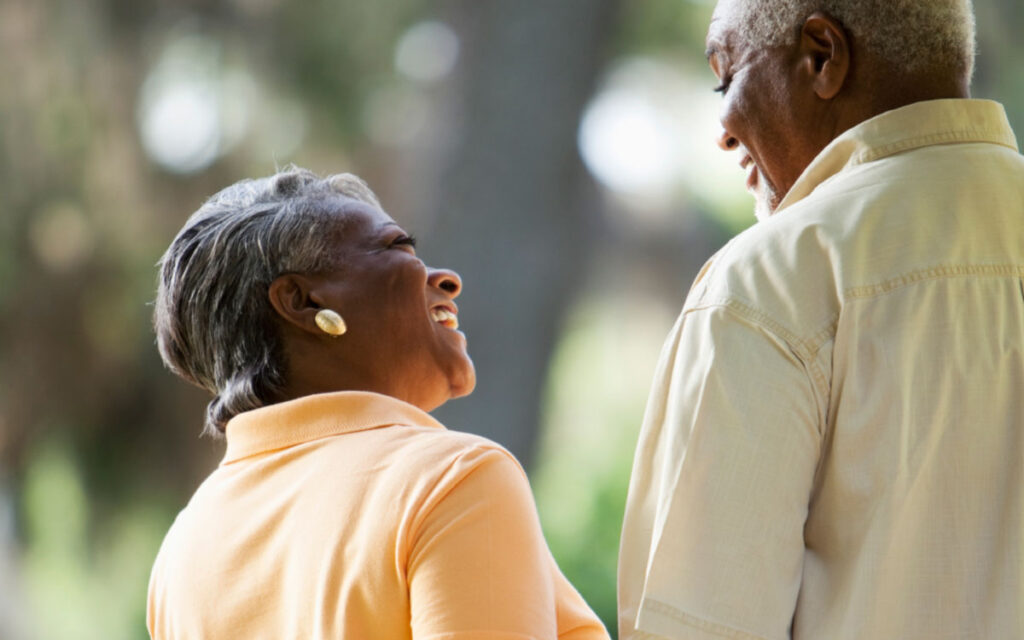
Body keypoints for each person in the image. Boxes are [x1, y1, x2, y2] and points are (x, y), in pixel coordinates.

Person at [618, 0, 1024, 638]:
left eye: (727, 78)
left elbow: (700, 626)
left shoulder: (767, 283)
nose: (722, 129)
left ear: (822, 58)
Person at [147, 167, 610, 639]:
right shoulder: (452, 480)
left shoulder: (184, 547)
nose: (447, 280)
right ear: (303, 302)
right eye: (397, 247)